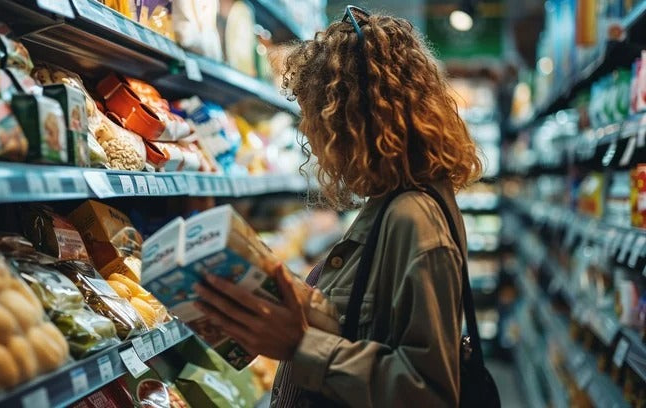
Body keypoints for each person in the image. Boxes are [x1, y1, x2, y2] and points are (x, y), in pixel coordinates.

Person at [194, 6, 482, 407]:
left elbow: (429, 393)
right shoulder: (392, 202)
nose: (309, 132)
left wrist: (299, 343)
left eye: (312, 114)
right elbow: (372, 323)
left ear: (349, 118)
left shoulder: (413, 218)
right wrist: (302, 299)